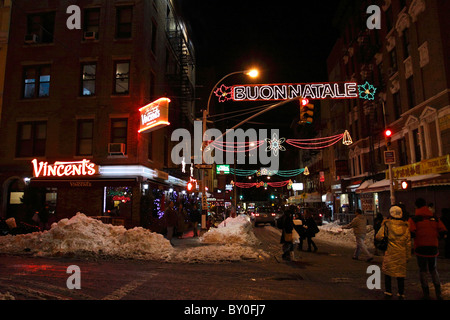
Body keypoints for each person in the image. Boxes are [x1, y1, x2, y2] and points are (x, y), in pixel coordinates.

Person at [409, 198, 447, 300]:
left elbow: (411, 233)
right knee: (433, 269)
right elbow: (443, 231)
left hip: (420, 248)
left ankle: (426, 292)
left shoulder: (414, 219)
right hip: (433, 247)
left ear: (416, 206)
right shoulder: (434, 218)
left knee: (423, 270)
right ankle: (438, 292)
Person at [376, 206, 411, 300]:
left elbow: (378, 236)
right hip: (401, 253)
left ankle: (388, 291)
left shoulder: (387, 225)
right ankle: (401, 293)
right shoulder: (406, 226)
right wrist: (408, 256)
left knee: (388, 273)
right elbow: (408, 243)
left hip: (390, 252)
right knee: (400, 274)